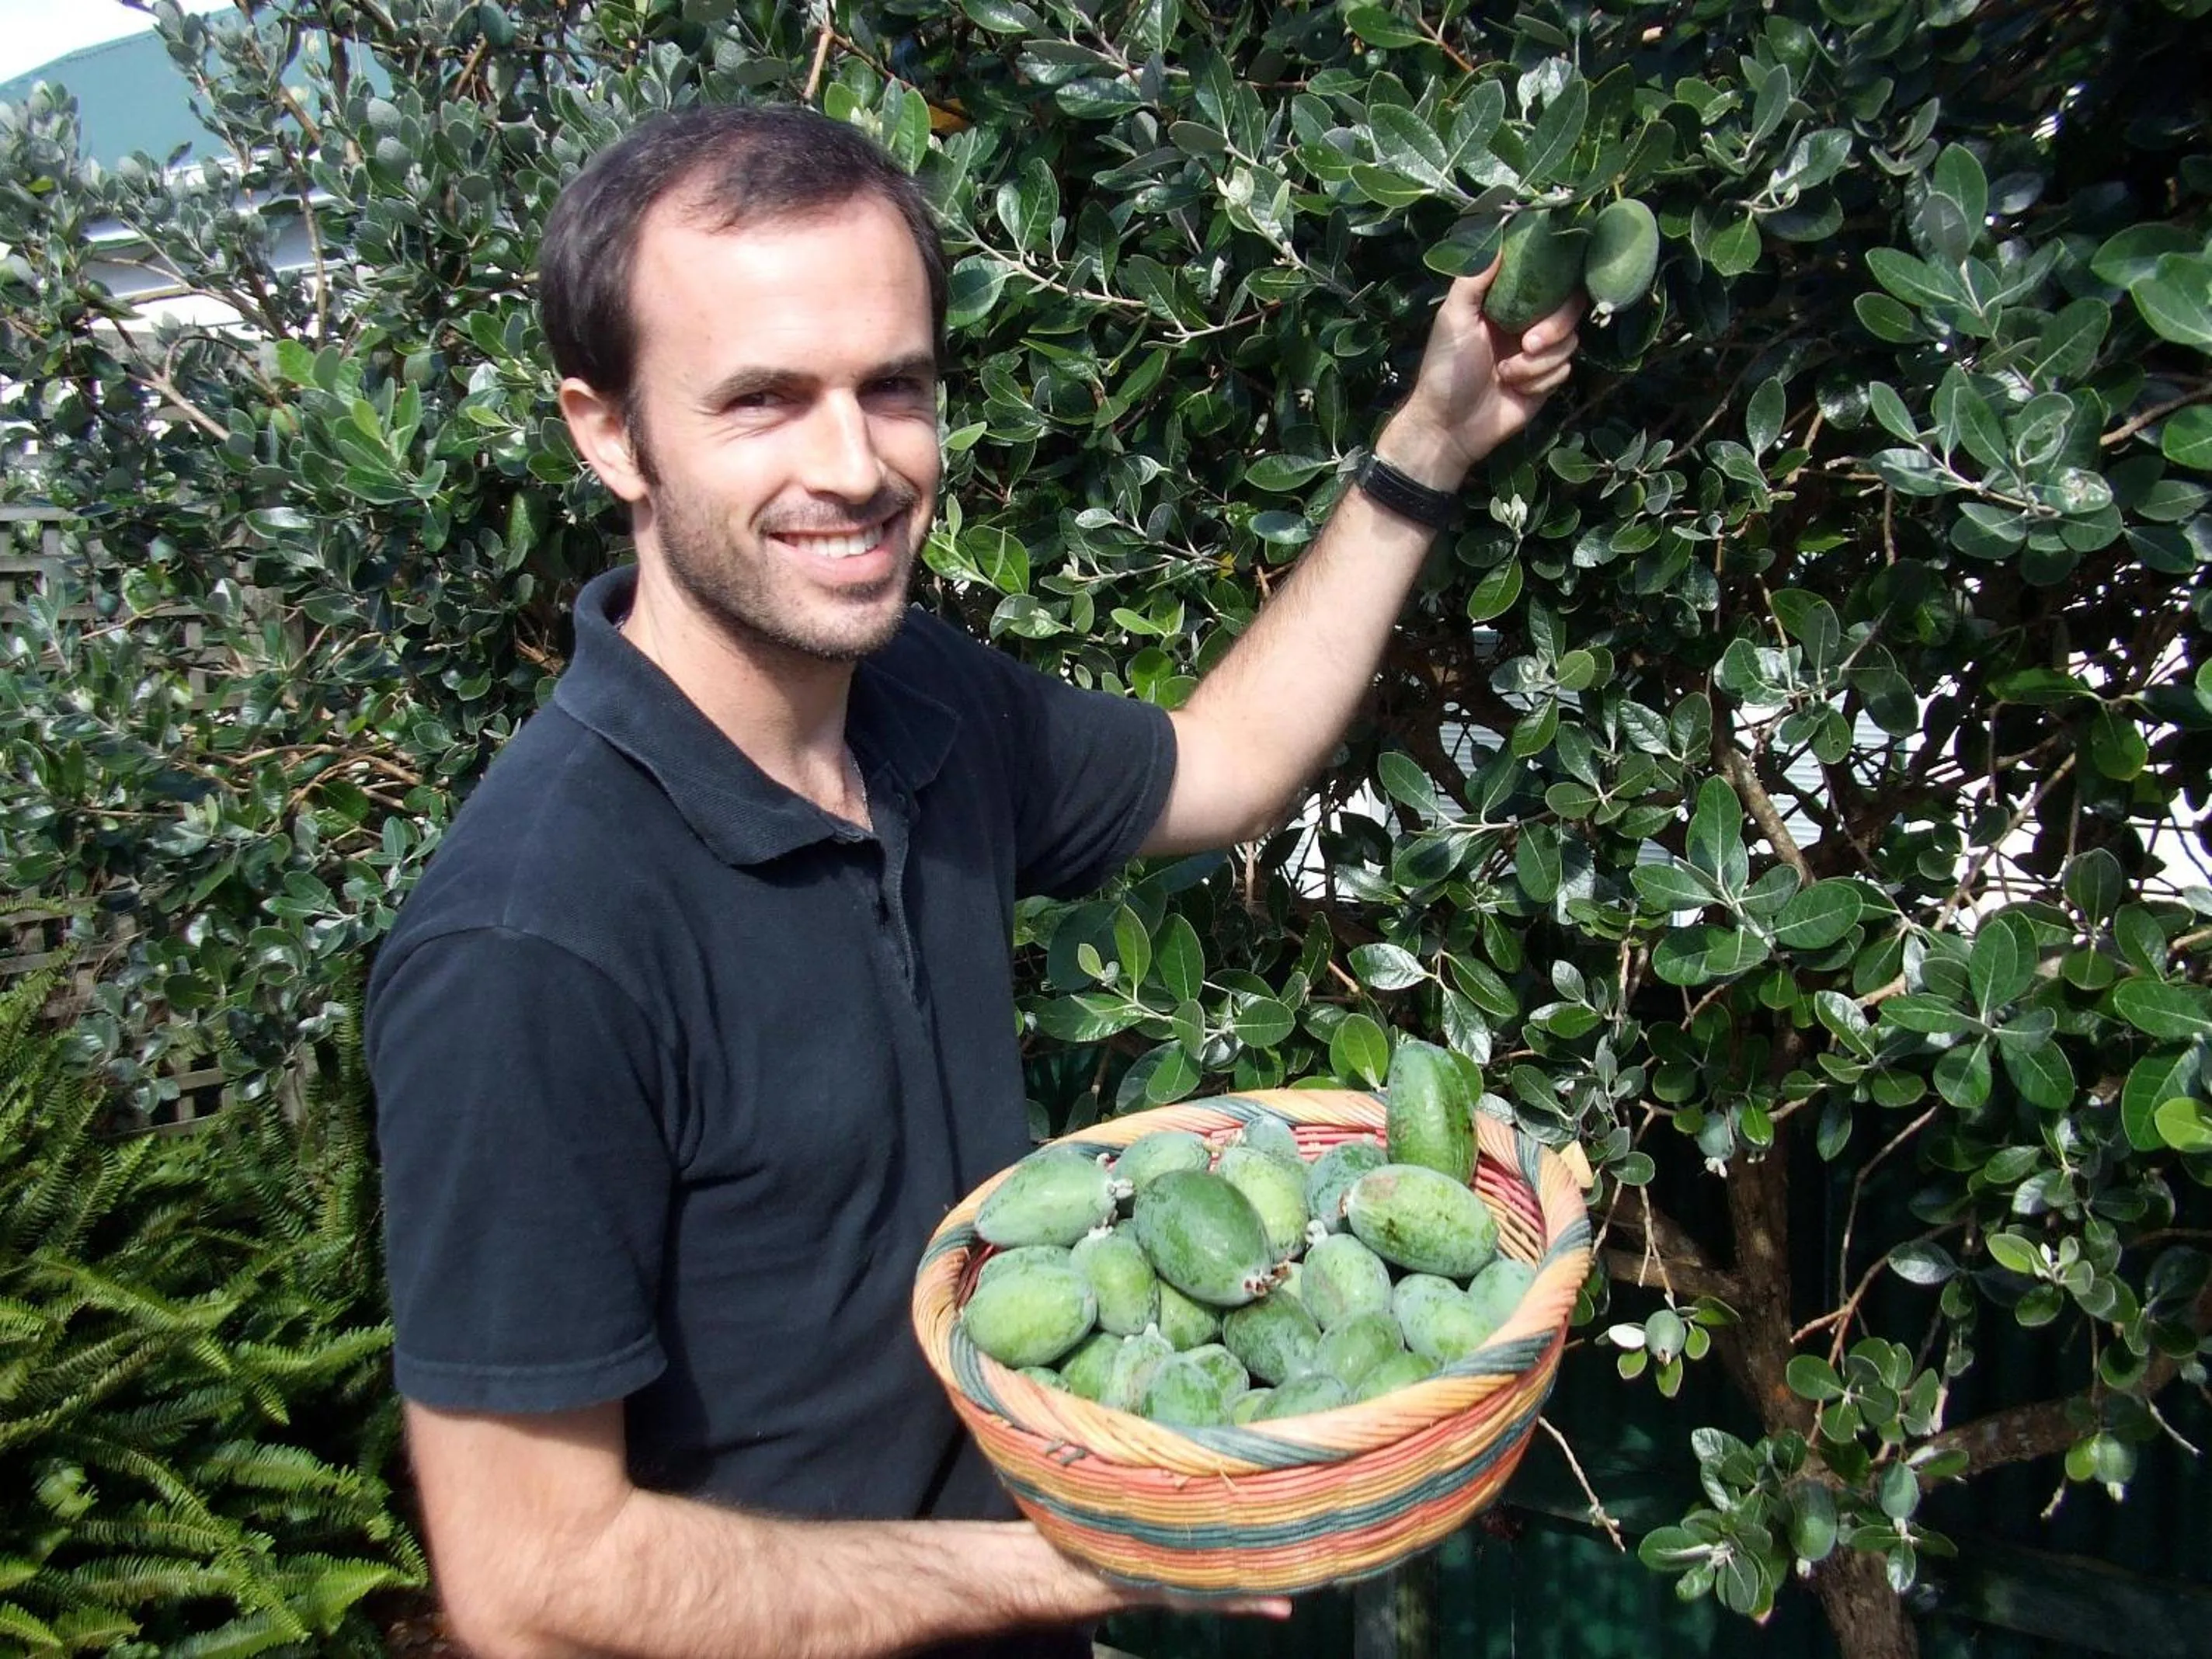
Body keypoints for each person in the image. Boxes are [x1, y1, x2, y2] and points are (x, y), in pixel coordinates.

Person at [365, 103, 1581, 1659]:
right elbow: (532, 1580)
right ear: (607, 433)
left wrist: (1425, 445)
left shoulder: (917, 705)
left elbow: (1220, 764)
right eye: (762, 401)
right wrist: (1056, 1566)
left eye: (894, 386)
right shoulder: (532, 942)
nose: (855, 464)